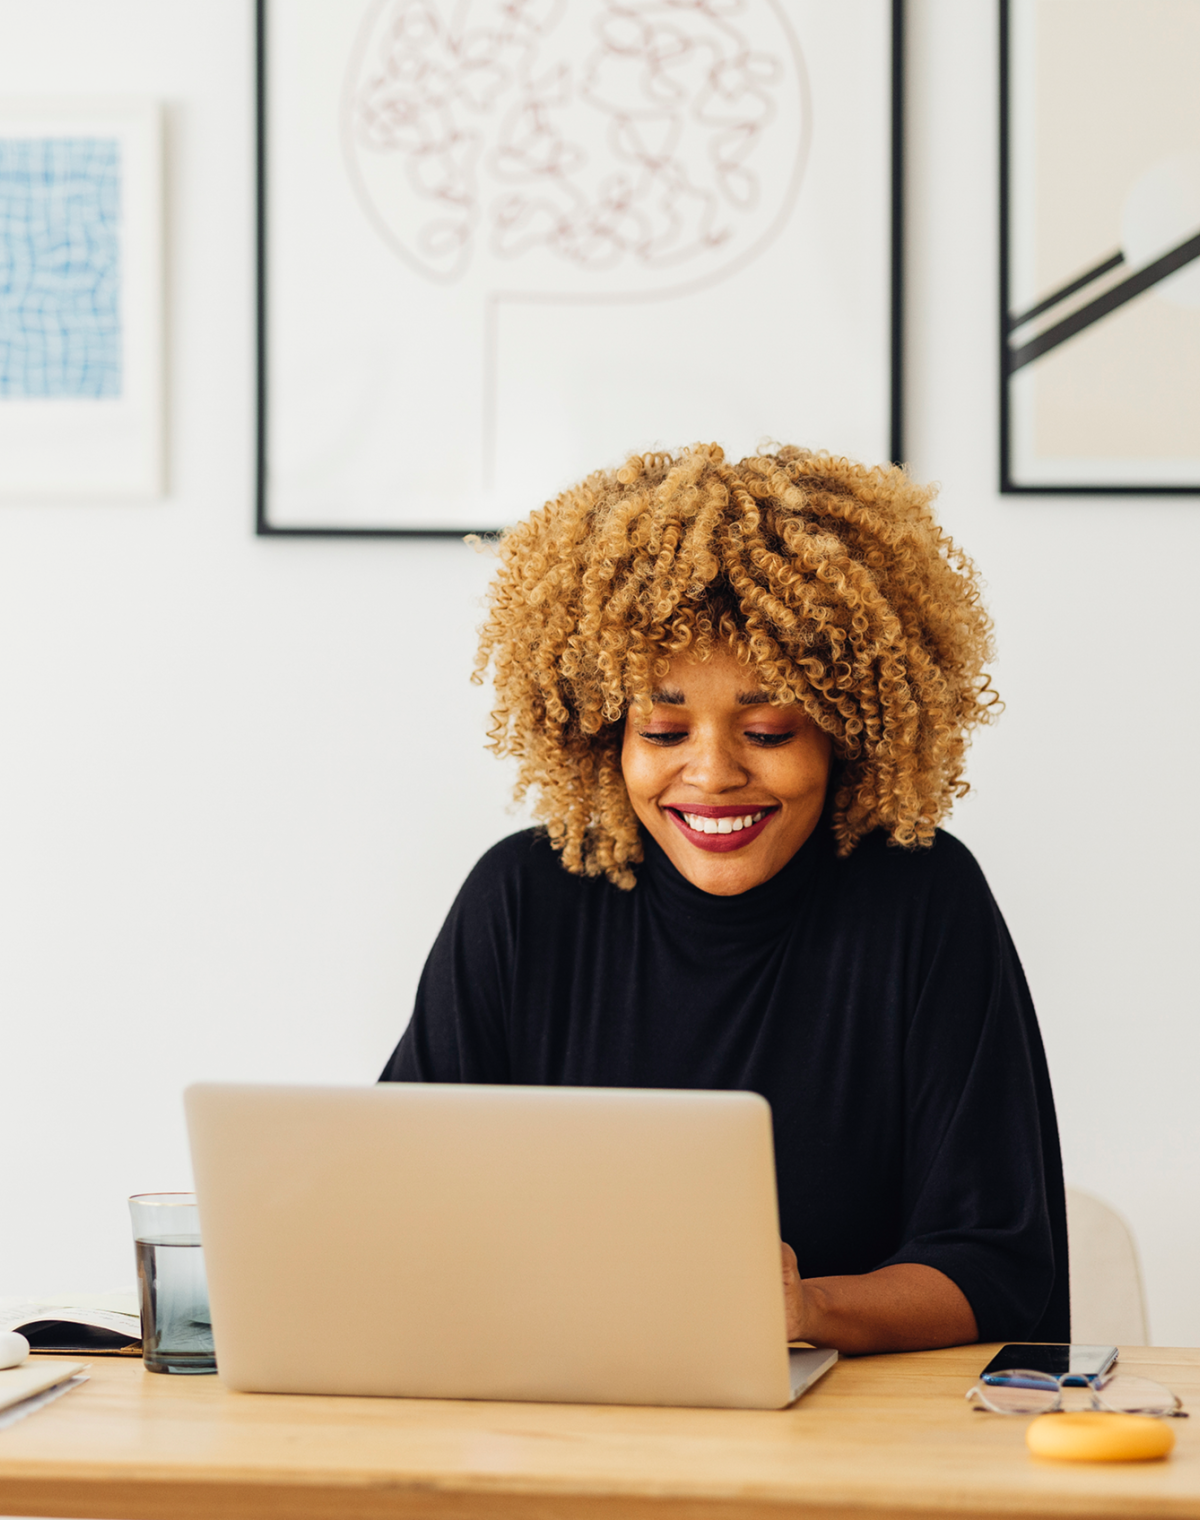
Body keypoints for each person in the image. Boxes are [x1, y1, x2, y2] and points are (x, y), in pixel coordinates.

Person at [381, 443, 1069, 1354]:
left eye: (768, 729)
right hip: (553, 1408)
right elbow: (390, 1203)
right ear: (601, 737)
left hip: (851, 1441)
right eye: (663, 729)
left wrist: (806, 1313)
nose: (712, 773)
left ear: (844, 732)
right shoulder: (523, 897)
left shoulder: (922, 900)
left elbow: (998, 1266)